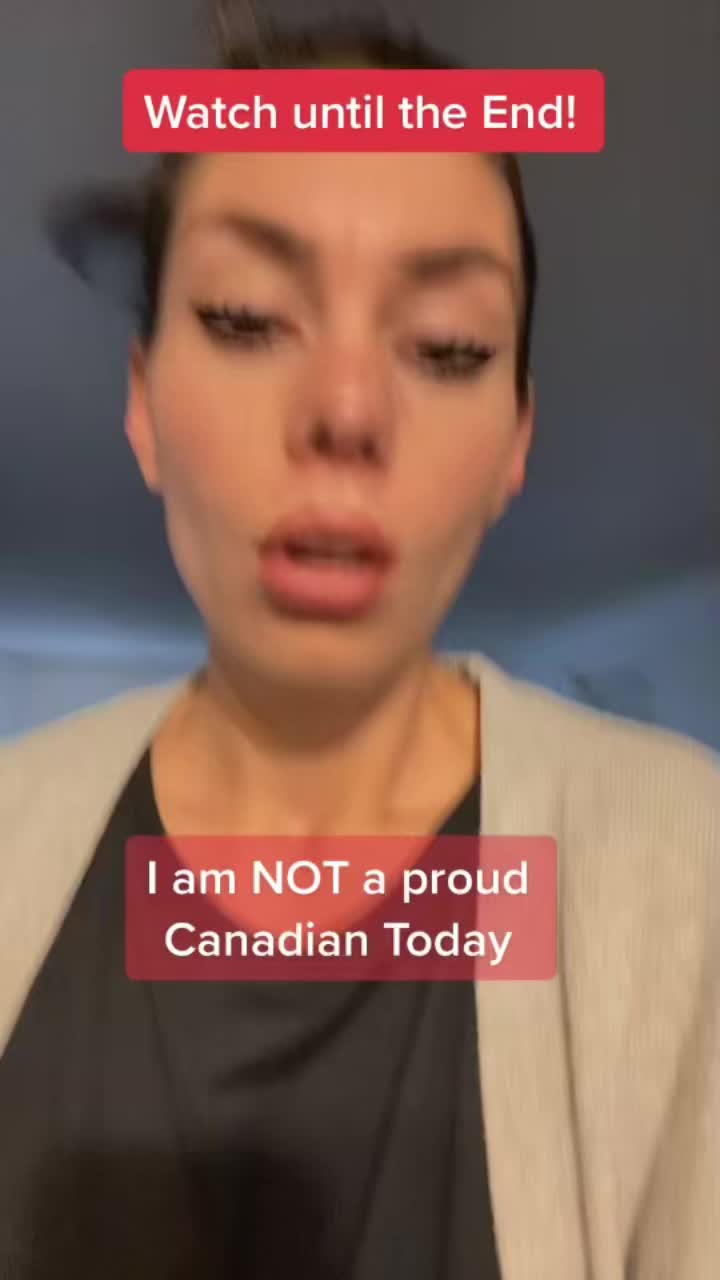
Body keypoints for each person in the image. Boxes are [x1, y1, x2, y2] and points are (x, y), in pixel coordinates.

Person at [0, 13, 718, 1280]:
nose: (345, 410)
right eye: (244, 318)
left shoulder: (688, 869)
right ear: (142, 402)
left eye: (447, 347)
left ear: (515, 443)